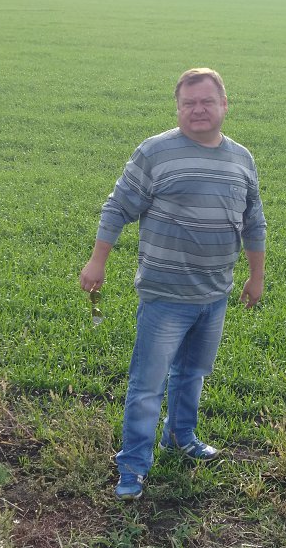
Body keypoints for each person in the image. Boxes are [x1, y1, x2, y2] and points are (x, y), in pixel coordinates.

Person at [80, 68, 266, 500]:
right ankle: (132, 466)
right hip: (164, 296)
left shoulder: (241, 159)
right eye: (189, 103)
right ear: (178, 108)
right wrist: (97, 260)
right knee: (147, 386)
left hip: (215, 295)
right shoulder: (156, 152)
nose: (198, 109)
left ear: (224, 105)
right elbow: (117, 207)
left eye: (207, 101)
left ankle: (180, 437)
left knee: (192, 374)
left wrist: (256, 276)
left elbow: (253, 221)